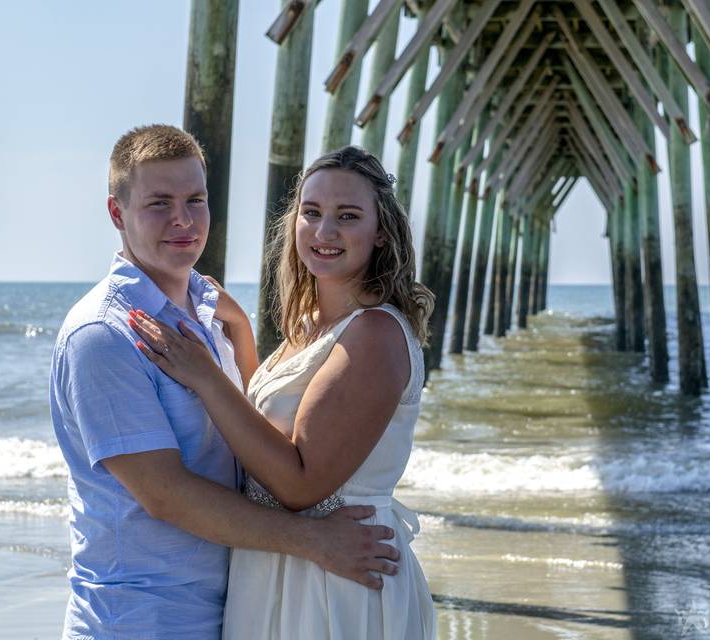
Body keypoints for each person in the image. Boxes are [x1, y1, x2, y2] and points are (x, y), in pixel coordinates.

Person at [49, 126, 400, 640]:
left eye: (195, 200)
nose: (183, 220)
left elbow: (255, 438)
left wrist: (238, 333)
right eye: (159, 203)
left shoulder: (206, 314)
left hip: (236, 607)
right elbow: (165, 493)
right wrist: (313, 541)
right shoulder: (105, 334)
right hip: (142, 617)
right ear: (117, 214)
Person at [129, 145, 438, 639]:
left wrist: (206, 375)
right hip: (287, 560)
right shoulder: (312, 327)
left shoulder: (375, 334)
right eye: (311, 213)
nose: (324, 232)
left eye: (347, 216)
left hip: (337, 575)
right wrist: (243, 338)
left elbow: (297, 484)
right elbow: (274, 430)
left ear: (380, 231)